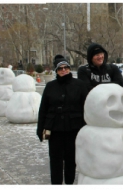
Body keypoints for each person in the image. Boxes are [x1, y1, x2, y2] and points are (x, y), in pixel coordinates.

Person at [37, 54, 89, 184]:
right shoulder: (50, 86)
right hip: (55, 129)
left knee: (71, 159)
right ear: (56, 71)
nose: (64, 70)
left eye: (66, 67)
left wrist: (86, 128)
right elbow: (43, 108)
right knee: (55, 160)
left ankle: (69, 183)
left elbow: (86, 107)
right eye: (60, 68)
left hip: (74, 128)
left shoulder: (79, 85)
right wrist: (40, 128)